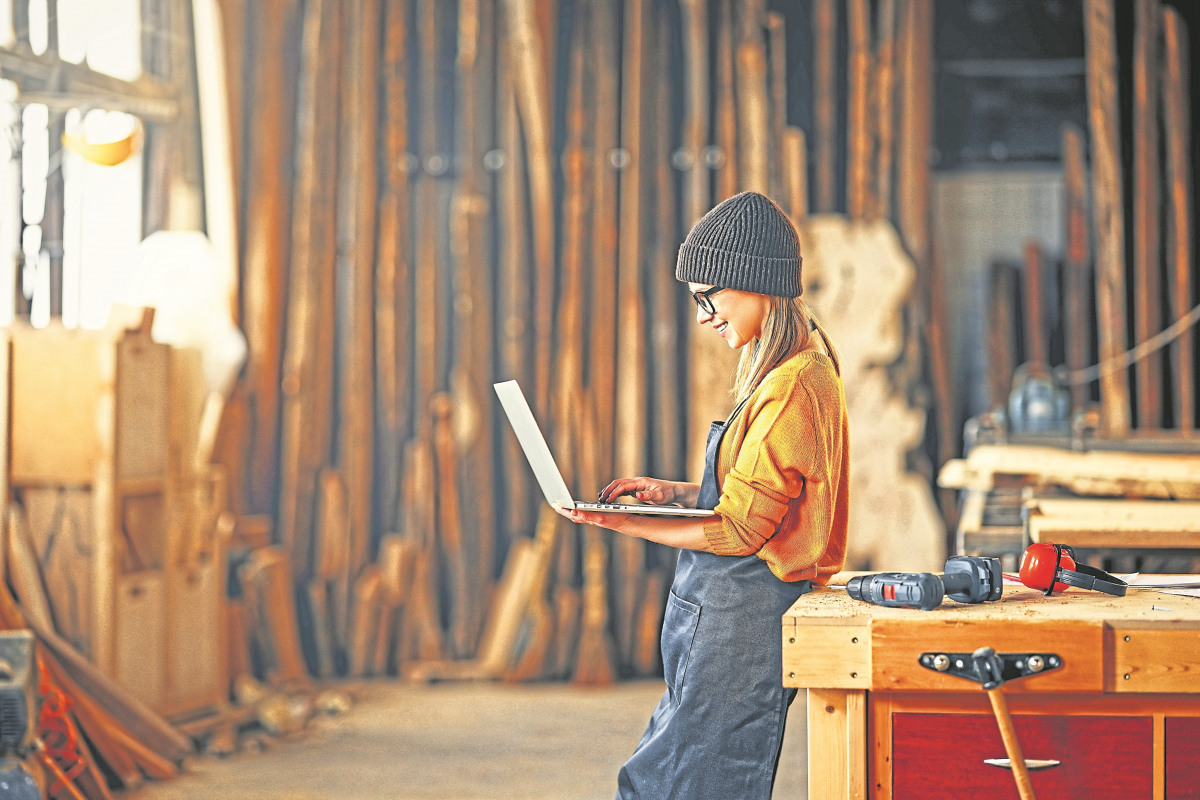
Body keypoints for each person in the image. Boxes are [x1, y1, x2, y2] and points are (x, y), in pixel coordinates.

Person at [556, 191, 850, 800]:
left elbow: (741, 531)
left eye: (707, 297)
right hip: (719, 614)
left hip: (742, 619)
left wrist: (614, 521)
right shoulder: (785, 369)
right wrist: (671, 494)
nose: (702, 316)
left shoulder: (793, 385)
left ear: (754, 283)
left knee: (691, 783)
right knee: (662, 772)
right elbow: (760, 497)